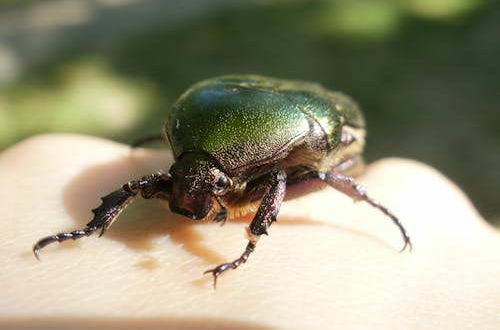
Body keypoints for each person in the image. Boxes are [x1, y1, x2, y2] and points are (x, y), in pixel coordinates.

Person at [1, 134, 499, 329]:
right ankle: (92, 231)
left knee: (317, 174)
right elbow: (136, 185)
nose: (186, 201)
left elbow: (284, 174)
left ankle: (274, 232)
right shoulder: (181, 169)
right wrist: (88, 230)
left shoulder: (267, 176)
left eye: (207, 188)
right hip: (225, 123)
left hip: (297, 135)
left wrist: (251, 237)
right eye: (179, 184)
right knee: (137, 184)